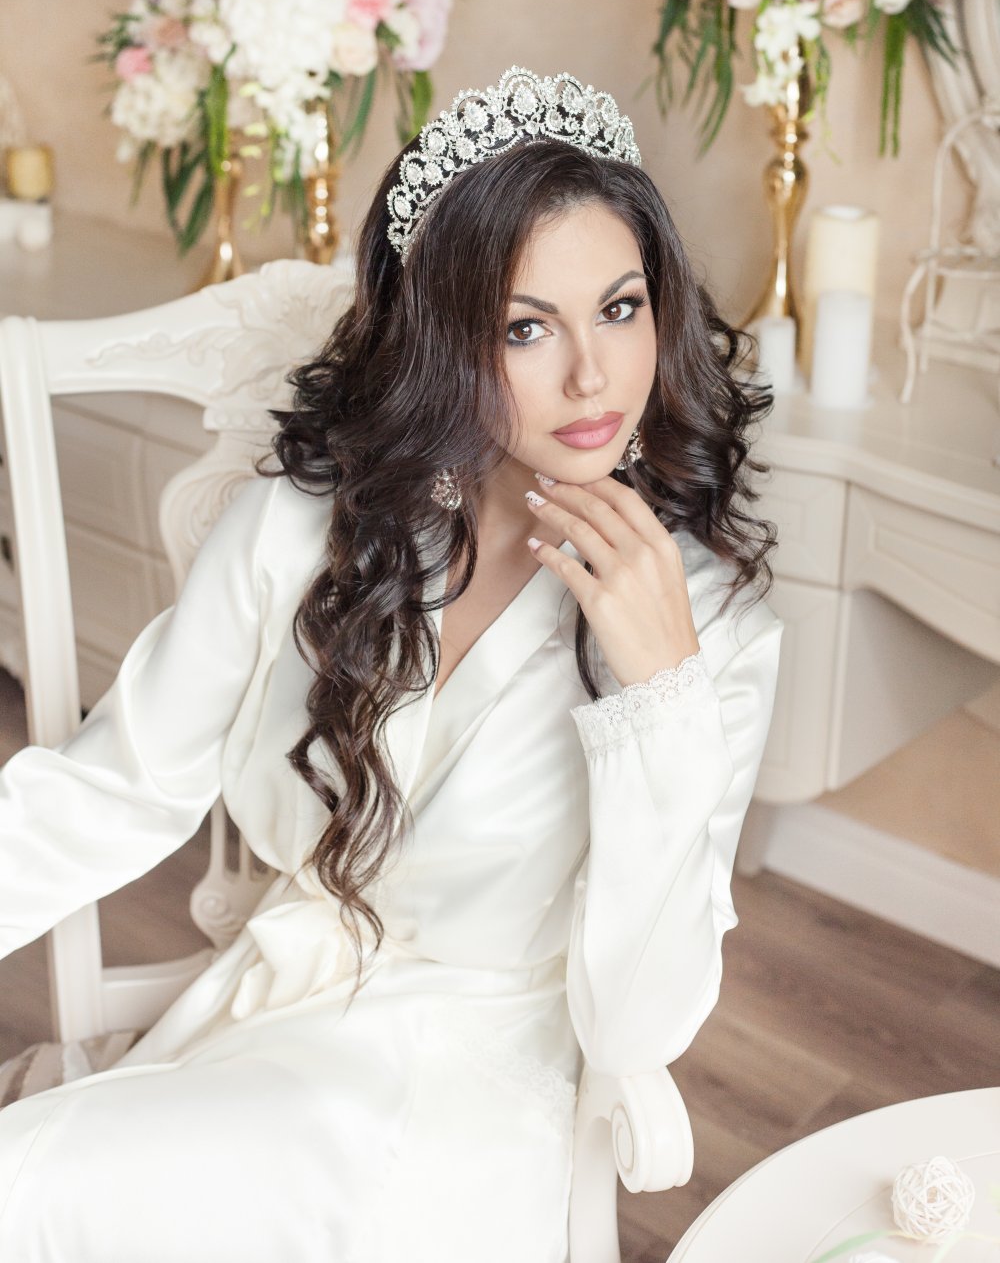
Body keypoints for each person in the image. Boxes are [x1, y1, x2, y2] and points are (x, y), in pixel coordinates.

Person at [0, 67, 782, 1262]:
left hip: (458, 1099)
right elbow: (116, 786)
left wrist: (660, 699)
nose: (591, 376)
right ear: (441, 341)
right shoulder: (307, 523)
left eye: (620, 308)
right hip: (270, 1023)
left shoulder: (708, 628)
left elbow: (637, 1026)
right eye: (526, 327)